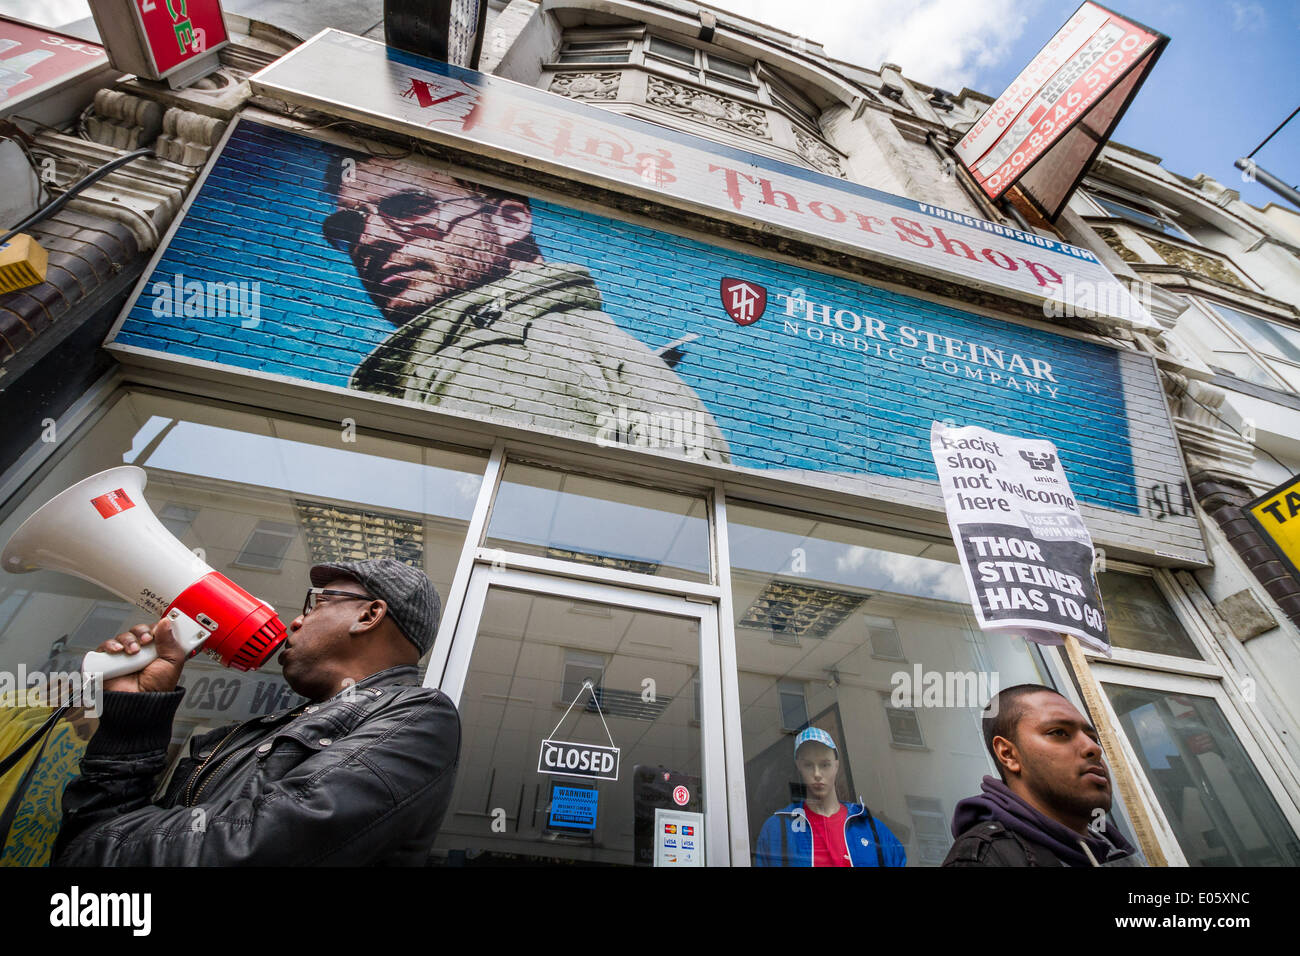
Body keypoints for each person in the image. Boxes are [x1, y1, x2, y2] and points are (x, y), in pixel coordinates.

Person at [324, 152, 730, 462]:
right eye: (348, 227)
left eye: (411, 208)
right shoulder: (574, 340)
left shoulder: (500, 353)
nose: (370, 239)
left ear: (511, 221)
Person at [51, 558, 460, 866]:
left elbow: (259, 843)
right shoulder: (259, 731)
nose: (296, 621)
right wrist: (135, 714)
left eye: (316, 603)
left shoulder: (418, 715)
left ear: (369, 615)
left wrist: (92, 848)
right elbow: (101, 821)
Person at [943, 683, 1137, 867]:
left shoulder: (1116, 849)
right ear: (1008, 754)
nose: (1093, 748)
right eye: (1059, 732)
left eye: (1093, 738)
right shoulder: (984, 858)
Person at [755, 727, 906, 867]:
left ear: (836, 765)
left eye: (825, 765)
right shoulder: (778, 829)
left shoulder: (870, 827)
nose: (817, 774)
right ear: (798, 767)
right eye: (808, 765)